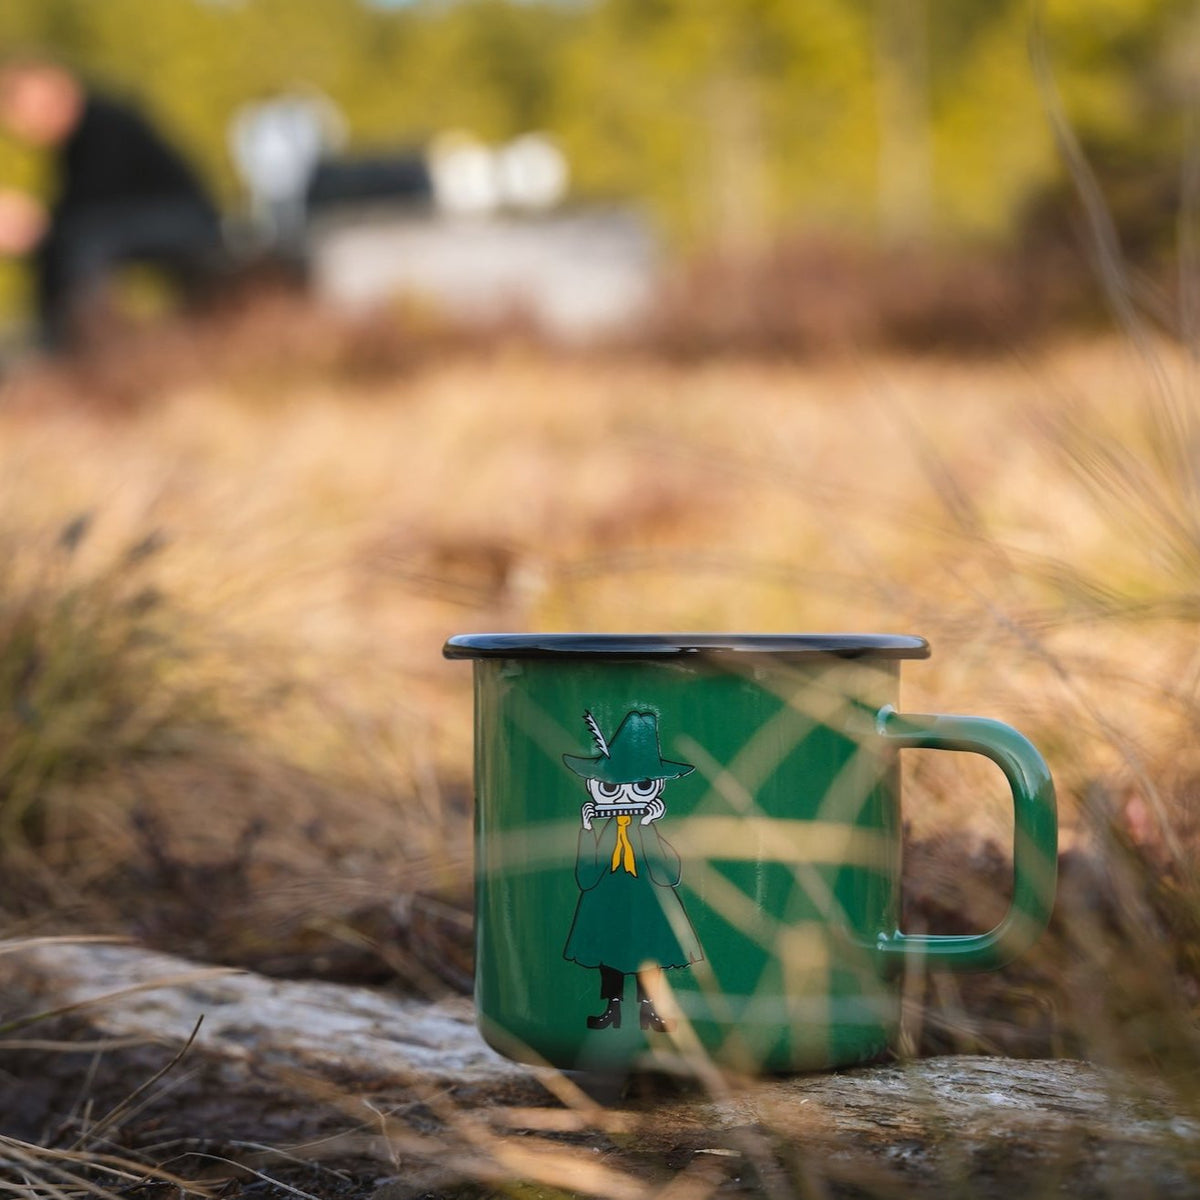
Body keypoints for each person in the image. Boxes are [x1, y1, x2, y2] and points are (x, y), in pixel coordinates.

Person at [0, 56, 222, 350]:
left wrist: (38, 226)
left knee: (83, 241)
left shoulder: (104, 123)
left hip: (186, 220)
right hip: (164, 221)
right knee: (69, 242)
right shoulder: (76, 143)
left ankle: (83, 347)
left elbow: (91, 207)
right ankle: (61, 345)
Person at [562, 710, 704, 1033]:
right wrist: (586, 828)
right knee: (608, 952)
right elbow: (585, 876)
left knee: (648, 950)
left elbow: (670, 873)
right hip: (606, 899)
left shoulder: (646, 828)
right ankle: (612, 1009)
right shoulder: (603, 831)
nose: (624, 795)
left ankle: (649, 1010)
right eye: (611, 787)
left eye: (640, 785)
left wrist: (648, 825)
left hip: (648, 898)